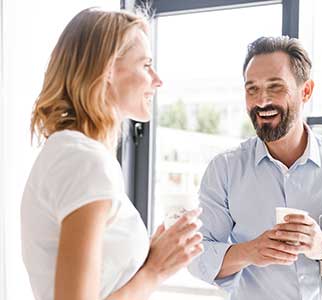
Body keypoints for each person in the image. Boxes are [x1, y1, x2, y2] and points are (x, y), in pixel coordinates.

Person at [21, 7, 203, 300]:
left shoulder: (70, 152)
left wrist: (148, 257)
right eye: (146, 65)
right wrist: (155, 270)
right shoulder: (85, 161)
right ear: (105, 70)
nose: (157, 80)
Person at [188, 36, 322, 300]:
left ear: (305, 91)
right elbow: (197, 254)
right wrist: (250, 251)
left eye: (275, 87)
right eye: (252, 89)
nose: (261, 101)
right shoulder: (224, 169)